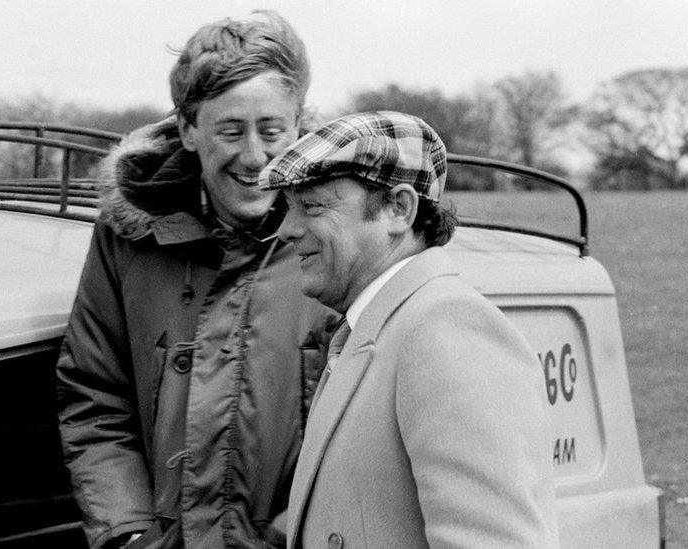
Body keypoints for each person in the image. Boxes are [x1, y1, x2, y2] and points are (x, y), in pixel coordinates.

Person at [56, 11, 337, 549]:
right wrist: (128, 534)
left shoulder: (341, 238)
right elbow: (95, 396)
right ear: (188, 129)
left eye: (271, 130)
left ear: (298, 125)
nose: (254, 157)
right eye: (230, 131)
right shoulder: (127, 239)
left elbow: (367, 423)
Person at [260, 111, 560, 548]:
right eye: (289, 208)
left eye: (313, 206)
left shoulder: (448, 330)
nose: (287, 229)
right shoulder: (379, 329)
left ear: (398, 209)